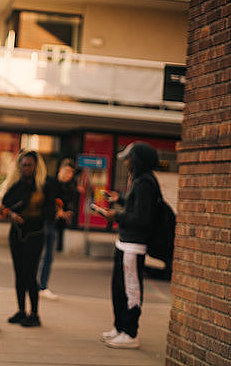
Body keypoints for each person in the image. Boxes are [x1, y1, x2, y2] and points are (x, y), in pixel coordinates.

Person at [96, 141, 160, 349]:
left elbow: (141, 217)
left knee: (131, 289)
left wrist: (116, 215)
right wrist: (120, 199)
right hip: (125, 243)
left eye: (129, 158)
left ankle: (130, 333)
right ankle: (120, 327)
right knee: (118, 288)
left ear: (138, 160)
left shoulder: (145, 182)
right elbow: (136, 207)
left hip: (134, 246)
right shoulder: (139, 180)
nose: (126, 163)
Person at [0, 150, 51, 327]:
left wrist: (58, 209)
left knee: (30, 273)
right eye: (23, 165)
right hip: (17, 234)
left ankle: (35, 314)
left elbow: (52, 207)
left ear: (36, 166)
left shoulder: (44, 186)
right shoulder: (16, 186)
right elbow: (4, 205)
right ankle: (21, 310)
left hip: (35, 235)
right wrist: (11, 214)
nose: (26, 168)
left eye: (30, 165)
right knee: (19, 274)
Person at [38, 158, 77, 300]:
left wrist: (65, 213)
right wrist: (56, 211)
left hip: (54, 225)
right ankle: (33, 285)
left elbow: (68, 206)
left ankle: (42, 286)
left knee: (49, 257)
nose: (67, 175)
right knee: (38, 255)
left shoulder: (70, 189)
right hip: (43, 223)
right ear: (59, 170)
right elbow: (44, 203)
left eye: (70, 173)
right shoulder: (50, 183)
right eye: (65, 171)